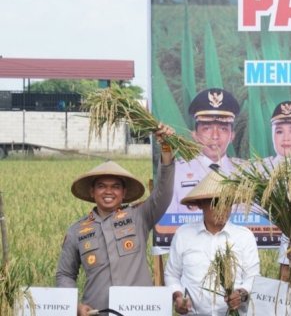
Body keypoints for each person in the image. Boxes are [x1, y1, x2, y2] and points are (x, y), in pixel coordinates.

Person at [56, 124, 175, 316]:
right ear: (92, 191)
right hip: (97, 312)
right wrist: (74, 305)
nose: (109, 191)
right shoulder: (76, 231)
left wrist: (166, 148)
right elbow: (65, 274)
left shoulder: (139, 216)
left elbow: (164, 192)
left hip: (140, 311)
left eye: (116, 186)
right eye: (102, 186)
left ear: (124, 192)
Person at [164, 171, 260, 315]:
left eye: (227, 203)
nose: (222, 208)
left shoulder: (244, 237)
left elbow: (253, 277)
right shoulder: (184, 234)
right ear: (201, 204)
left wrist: (240, 294)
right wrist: (178, 296)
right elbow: (172, 274)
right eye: (215, 202)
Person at [166, 87, 241, 214]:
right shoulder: (177, 172)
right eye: (207, 128)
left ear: (232, 136)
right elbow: (167, 224)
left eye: (223, 129)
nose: (215, 136)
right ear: (195, 135)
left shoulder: (244, 173)